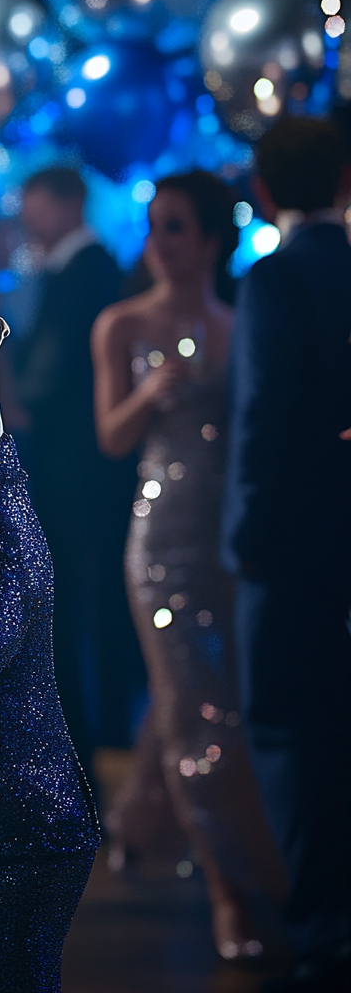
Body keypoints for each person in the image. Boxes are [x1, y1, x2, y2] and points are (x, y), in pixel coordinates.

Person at [91, 171, 285, 959]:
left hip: (226, 536)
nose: (160, 245)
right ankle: (228, 892)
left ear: (211, 239)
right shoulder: (121, 324)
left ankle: (138, 825)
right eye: (154, 228)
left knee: (205, 699)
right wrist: (153, 395)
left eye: (176, 228)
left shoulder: (240, 327)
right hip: (160, 537)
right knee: (196, 713)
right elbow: (110, 436)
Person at [222, 119, 351, 991]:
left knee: (290, 734)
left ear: (263, 192)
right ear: (345, 179)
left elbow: (263, 414)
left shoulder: (273, 279)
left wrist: (249, 534)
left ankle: (322, 930)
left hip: (294, 537)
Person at [15, 166, 139, 777]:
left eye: (35, 208)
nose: (27, 221)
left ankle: (92, 752)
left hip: (76, 471)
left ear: (69, 204)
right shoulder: (79, 269)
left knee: (83, 615)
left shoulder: (83, 271)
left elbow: (54, 375)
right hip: (81, 468)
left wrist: (12, 403)